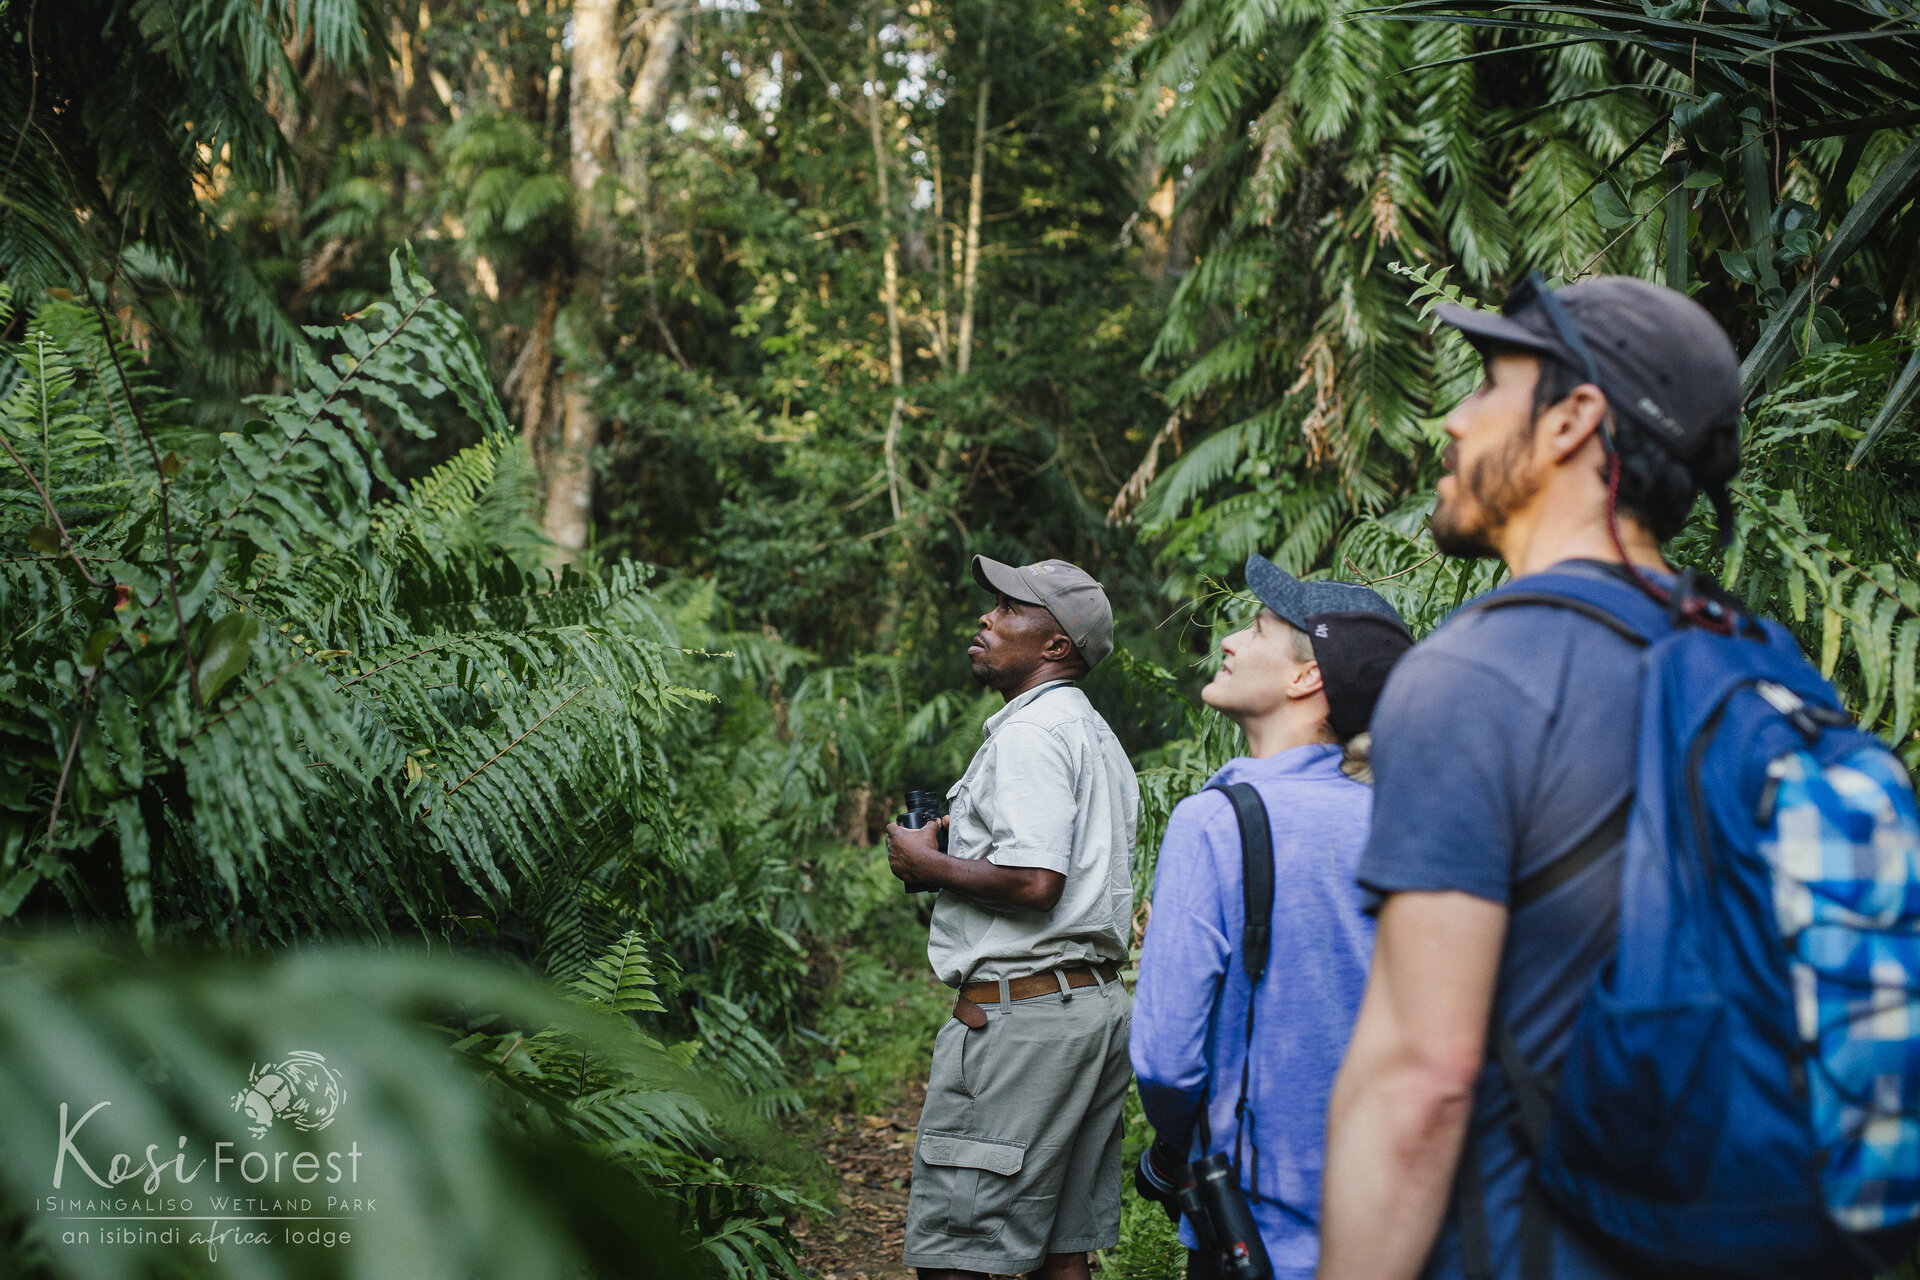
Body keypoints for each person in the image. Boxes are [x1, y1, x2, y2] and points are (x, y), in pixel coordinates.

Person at [1314, 274, 1745, 1280]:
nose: (1453, 421)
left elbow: (1420, 1080)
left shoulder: (1473, 676)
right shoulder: (1753, 659)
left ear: (1572, 420)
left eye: (1488, 385)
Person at [1131, 555, 1414, 1280]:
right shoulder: (1408, 823)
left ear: (1305, 678)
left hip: (1257, 1237)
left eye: (1256, 628)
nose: (1230, 640)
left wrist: (1172, 1149)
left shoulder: (1215, 824)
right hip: (1399, 1229)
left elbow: (1168, 1062)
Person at [885, 554, 1140, 1280]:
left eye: (1009, 610)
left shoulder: (1031, 736)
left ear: (1056, 646)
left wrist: (923, 862)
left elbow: (1036, 882)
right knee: (1063, 1252)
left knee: (960, 1253)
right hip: (1087, 1011)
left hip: (1023, 1023)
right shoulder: (1092, 735)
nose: (986, 619)